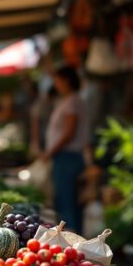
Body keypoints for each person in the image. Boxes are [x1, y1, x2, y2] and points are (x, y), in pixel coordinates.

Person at [41, 66, 89, 233]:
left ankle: (72, 240)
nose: (55, 84)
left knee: (67, 201)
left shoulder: (72, 101)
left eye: (57, 80)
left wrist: (51, 151)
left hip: (67, 157)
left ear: (66, 80)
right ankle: (72, 239)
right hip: (65, 156)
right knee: (67, 201)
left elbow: (69, 132)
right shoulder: (68, 100)